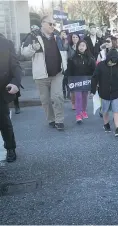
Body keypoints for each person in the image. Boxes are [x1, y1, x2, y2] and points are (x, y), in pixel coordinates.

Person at [21, 15, 67, 130]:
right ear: (42, 24)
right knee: (45, 100)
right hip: (41, 75)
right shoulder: (33, 36)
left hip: (57, 73)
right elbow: (24, 53)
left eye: (54, 24)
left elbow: (63, 52)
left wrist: (65, 67)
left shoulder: (57, 36)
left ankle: (59, 120)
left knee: (58, 97)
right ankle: (51, 119)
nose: (53, 26)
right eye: (50, 24)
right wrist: (33, 48)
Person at [91, 49, 118, 136]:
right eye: (110, 62)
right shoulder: (101, 65)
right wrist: (93, 90)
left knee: (116, 110)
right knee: (105, 110)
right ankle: (106, 124)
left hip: (116, 92)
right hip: (104, 92)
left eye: (114, 63)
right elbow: (94, 77)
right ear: (108, 59)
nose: (112, 64)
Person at [0, 34, 22, 162]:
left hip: (1, 88)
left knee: (4, 122)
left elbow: (16, 66)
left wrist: (15, 82)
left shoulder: (6, 43)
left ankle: (10, 148)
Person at [66, 40, 96, 123]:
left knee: (84, 97)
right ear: (77, 47)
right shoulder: (72, 58)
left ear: (86, 47)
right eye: (80, 45)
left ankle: (83, 111)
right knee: (78, 97)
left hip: (86, 80)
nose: (81, 47)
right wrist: (69, 81)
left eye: (83, 45)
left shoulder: (90, 58)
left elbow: (94, 70)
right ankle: (78, 114)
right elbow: (69, 71)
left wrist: (94, 81)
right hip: (76, 81)